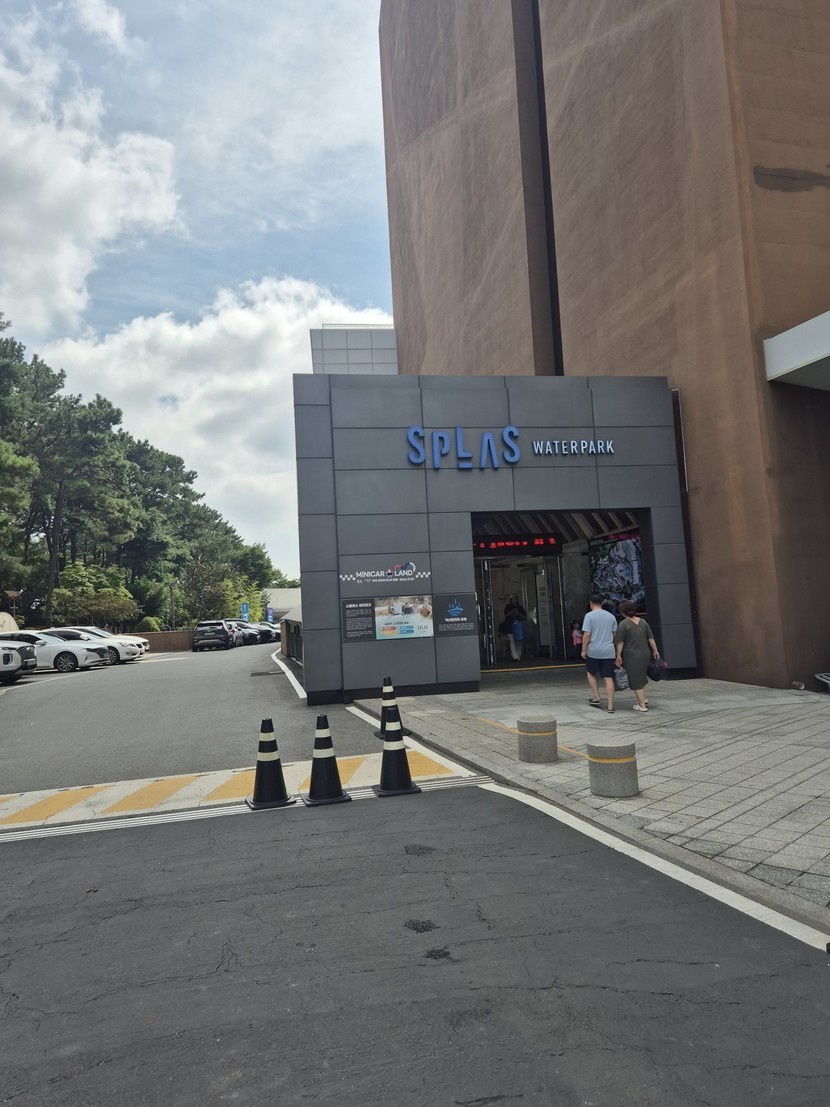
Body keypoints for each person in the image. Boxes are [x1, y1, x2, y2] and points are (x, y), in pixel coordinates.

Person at [614, 600, 660, 712]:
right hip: (645, 654)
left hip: (632, 656)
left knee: (635, 680)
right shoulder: (643, 622)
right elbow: (650, 637)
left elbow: (620, 642)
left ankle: (642, 705)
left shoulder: (623, 624)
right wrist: (655, 650)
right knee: (641, 677)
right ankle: (644, 698)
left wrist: (618, 655)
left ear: (623, 612)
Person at [581, 592, 618, 713]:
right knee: (608, 677)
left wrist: (583, 650)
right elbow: (614, 635)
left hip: (594, 650)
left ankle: (596, 696)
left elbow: (587, 634)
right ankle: (610, 706)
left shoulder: (589, 616)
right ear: (602, 603)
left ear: (590, 603)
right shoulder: (611, 617)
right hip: (608, 650)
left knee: (591, 673)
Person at [503, 594, 527, 662]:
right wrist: (513, 611)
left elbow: (525, 616)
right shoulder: (508, 607)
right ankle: (515, 656)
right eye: (513, 599)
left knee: (519, 640)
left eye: (516, 599)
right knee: (512, 640)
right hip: (510, 626)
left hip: (518, 627)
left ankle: (518, 654)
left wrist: (519, 614)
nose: (515, 600)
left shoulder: (520, 607)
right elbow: (506, 615)